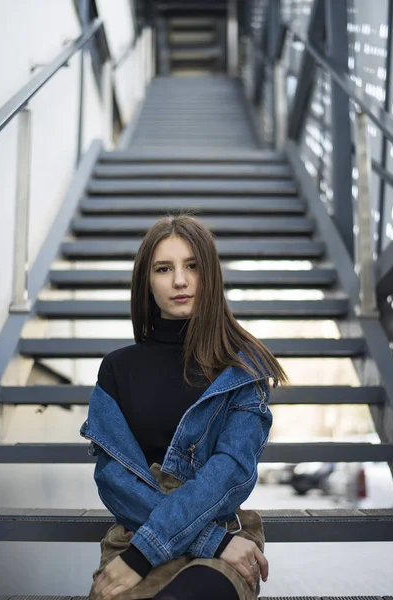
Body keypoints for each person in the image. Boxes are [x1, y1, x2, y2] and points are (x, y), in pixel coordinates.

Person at [80, 214, 288, 600]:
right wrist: (204, 542)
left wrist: (194, 546)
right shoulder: (117, 369)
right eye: (164, 268)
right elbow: (114, 481)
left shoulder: (242, 369)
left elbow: (228, 473)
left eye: (192, 266)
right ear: (147, 281)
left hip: (222, 539)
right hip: (136, 537)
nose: (180, 280)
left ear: (210, 276)